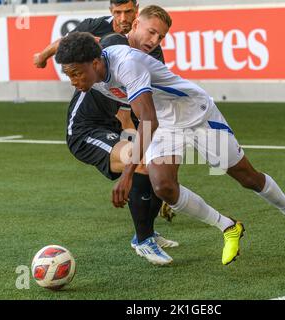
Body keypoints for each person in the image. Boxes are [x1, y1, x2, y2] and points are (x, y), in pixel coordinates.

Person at [54, 6, 285, 265]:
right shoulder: (96, 71)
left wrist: (126, 176)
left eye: (76, 73)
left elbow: (148, 119)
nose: (73, 81)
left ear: (95, 62)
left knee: (246, 177)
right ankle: (228, 226)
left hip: (197, 114)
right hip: (166, 123)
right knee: (164, 187)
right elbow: (146, 115)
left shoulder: (127, 65)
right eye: (69, 74)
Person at [34, 1, 176, 266]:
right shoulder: (108, 42)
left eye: (159, 36)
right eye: (151, 32)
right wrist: (42, 56)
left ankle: (147, 230)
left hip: (116, 122)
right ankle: (143, 240)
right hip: (87, 129)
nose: (153, 40)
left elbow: (142, 106)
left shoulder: (150, 58)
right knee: (144, 160)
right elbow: (125, 114)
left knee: (161, 159)